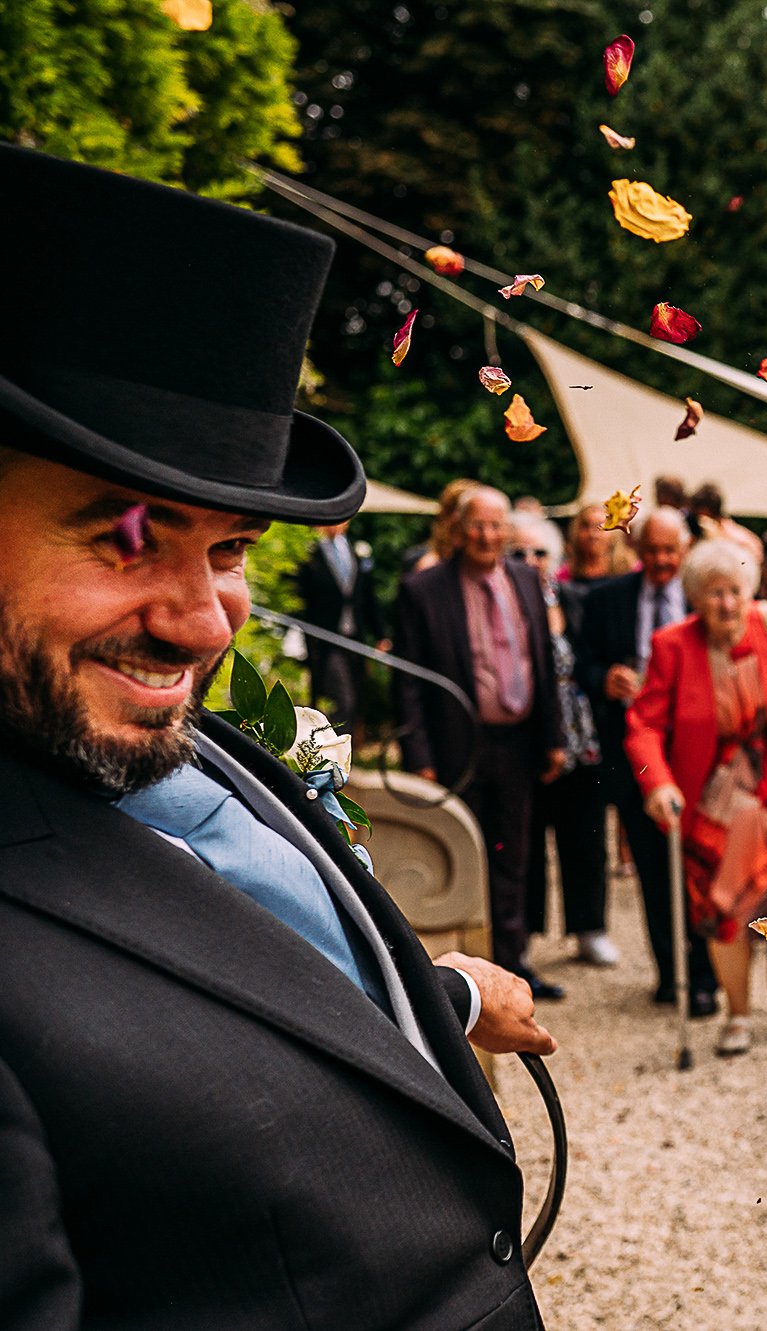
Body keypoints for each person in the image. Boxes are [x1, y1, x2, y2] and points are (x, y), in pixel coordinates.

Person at [0, 145, 552, 1329]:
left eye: (232, 550)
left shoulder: (203, 746)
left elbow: (217, 990)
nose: (205, 623)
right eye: (127, 537)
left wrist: (437, 996)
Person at [623, 541, 767, 1055]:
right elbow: (642, 726)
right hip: (712, 806)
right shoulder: (673, 645)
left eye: (735, 592)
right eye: (714, 594)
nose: (727, 604)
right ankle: (739, 1015)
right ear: (695, 601)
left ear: (751, 591)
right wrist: (656, 781)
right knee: (726, 913)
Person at [396, 485, 568, 1000]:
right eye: (477, 525)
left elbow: (543, 661)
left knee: (513, 856)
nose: (486, 536)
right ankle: (465, 976)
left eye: (496, 526)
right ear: (457, 529)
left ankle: (514, 965)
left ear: (508, 532)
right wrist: (419, 757)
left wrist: (554, 737)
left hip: (519, 742)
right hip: (457, 746)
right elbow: (408, 682)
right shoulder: (423, 590)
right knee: (462, 854)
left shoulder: (525, 579)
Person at [574, 508, 720, 1010]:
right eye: (652, 550)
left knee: (700, 867)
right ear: (636, 550)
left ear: (685, 551)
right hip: (631, 752)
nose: (661, 560)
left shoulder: (704, 598)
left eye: (670, 551)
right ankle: (671, 974)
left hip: (699, 753)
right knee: (654, 871)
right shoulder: (606, 598)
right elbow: (581, 662)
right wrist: (604, 678)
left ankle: (704, 976)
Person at [510, 512, 615, 968]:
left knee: (586, 838)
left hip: (581, 739)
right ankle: (526, 934)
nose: (531, 561)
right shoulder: (502, 602)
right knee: (528, 844)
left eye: (539, 552)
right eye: (520, 553)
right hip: (530, 740)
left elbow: (591, 662)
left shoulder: (573, 599)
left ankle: (590, 927)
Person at [295, 519, 384, 727]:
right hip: (327, 640)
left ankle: (346, 749)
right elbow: (300, 598)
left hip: (354, 637)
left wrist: (381, 635)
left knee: (356, 696)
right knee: (341, 699)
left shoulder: (356, 550)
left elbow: (368, 596)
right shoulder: (311, 553)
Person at [561, 502, 632, 593]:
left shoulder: (629, 569)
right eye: (586, 526)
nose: (592, 534)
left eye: (600, 526)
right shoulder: (565, 575)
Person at [687, 481, 764, 560]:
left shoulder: (741, 541)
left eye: (701, 518)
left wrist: (716, 541)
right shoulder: (690, 539)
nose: (697, 523)